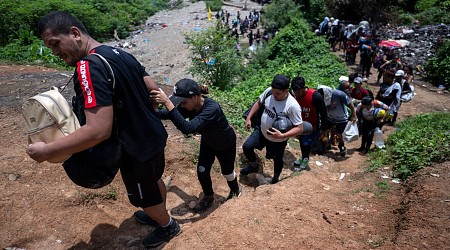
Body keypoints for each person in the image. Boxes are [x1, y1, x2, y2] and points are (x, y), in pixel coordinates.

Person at [28, 11, 179, 248]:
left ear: (75, 33)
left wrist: (47, 151)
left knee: (142, 196)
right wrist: (140, 113)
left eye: (55, 44)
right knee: (153, 179)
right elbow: (152, 88)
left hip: (135, 148)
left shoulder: (88, 67)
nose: (55, 53)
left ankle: (166, 225)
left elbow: (98, 131)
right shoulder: (119, 53)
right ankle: (157, 213)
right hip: (153, 136)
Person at [150, 79, 241, 213]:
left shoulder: (212, 108)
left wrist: (168, 103)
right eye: (180, 102)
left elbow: (188, 128)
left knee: (227, 172)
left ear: (195, 96)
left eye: (184, 102)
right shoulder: (189, 106)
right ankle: (208, 197)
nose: (182, 105)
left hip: (225, 144)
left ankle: (235, 190)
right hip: (208, 142)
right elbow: (168, 114)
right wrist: (152, 109)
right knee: (202, 171)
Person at [240, 74, 304, 184]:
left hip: (277, 139)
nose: (274, 95)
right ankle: (253, 165)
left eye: (278, 93)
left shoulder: (292, 106)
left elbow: (300, 128)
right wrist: (249, 118)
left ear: (286, 91)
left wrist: (282, 136)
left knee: (277, 159)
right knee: (247, 146)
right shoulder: (270, 91)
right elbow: (259, 103)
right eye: (273, 92)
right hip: (262, 131)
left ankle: (275, 178)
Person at [291, 76, 329, 170]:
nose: (297, 94)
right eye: (295, 92)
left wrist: (324, 129)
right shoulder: (294, 95)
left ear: (304, 88)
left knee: (305, 143)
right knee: (301, 141)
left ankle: (305, 160)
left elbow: (323, 113)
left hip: (312, 125)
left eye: (299, 91)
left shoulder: (315, 96)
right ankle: (303, 157)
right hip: (299, 124)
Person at [318, 86, 357, 157]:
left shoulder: (339, 94)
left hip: (341, 118)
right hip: (329, 117)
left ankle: (341, 146)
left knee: (340, 134)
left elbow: (350, 103)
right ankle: (327, 144)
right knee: (323, 132)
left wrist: (353, 114)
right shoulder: (319, 97)